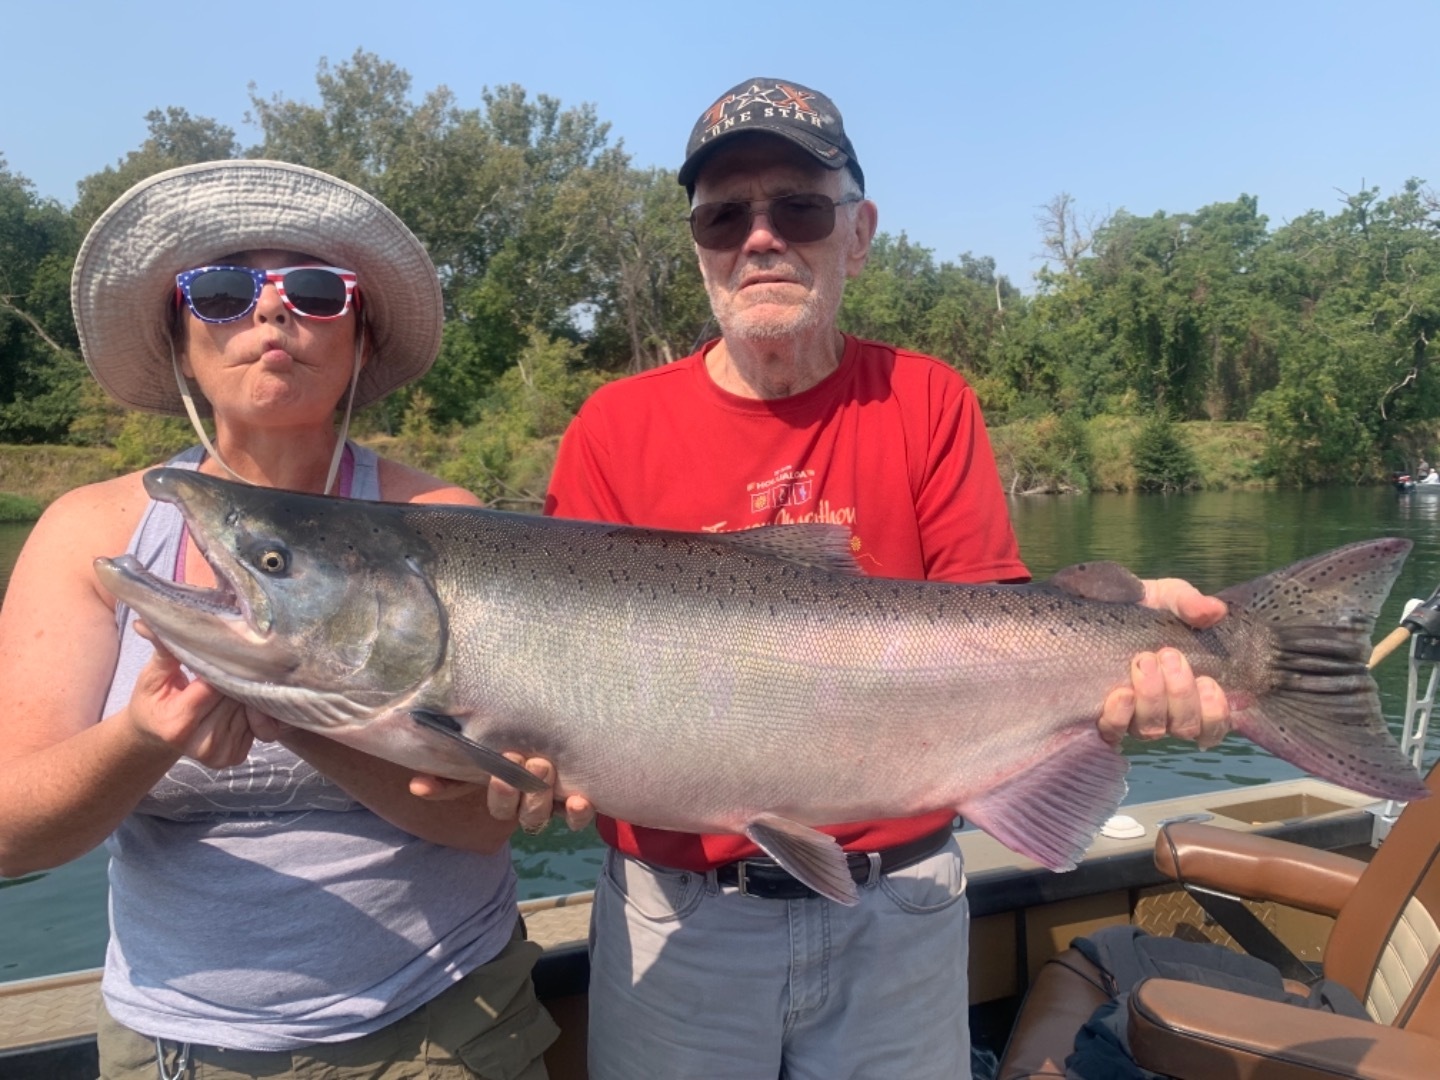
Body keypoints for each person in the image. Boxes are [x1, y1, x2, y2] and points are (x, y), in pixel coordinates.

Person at [544, 77, 1232, 1080]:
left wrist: (1132, 633)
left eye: (800, 208)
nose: (761, 238)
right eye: (724, 215)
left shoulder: (927, 397)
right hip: (677, 922)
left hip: (901, 909)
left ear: (858, 233)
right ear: (697, 244)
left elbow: (998, 627)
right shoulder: (612, 429)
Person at [0, 160, 574, 1079]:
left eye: (314, 291)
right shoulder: (88, 534)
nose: (272, 315)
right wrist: (149, 733)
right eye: (222, 291)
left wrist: (294, 710)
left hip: (449, 1027)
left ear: (357, 339)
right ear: (180, 339)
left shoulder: (447, 525)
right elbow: (10, 834)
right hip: (177, 1046)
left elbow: (482, 826)